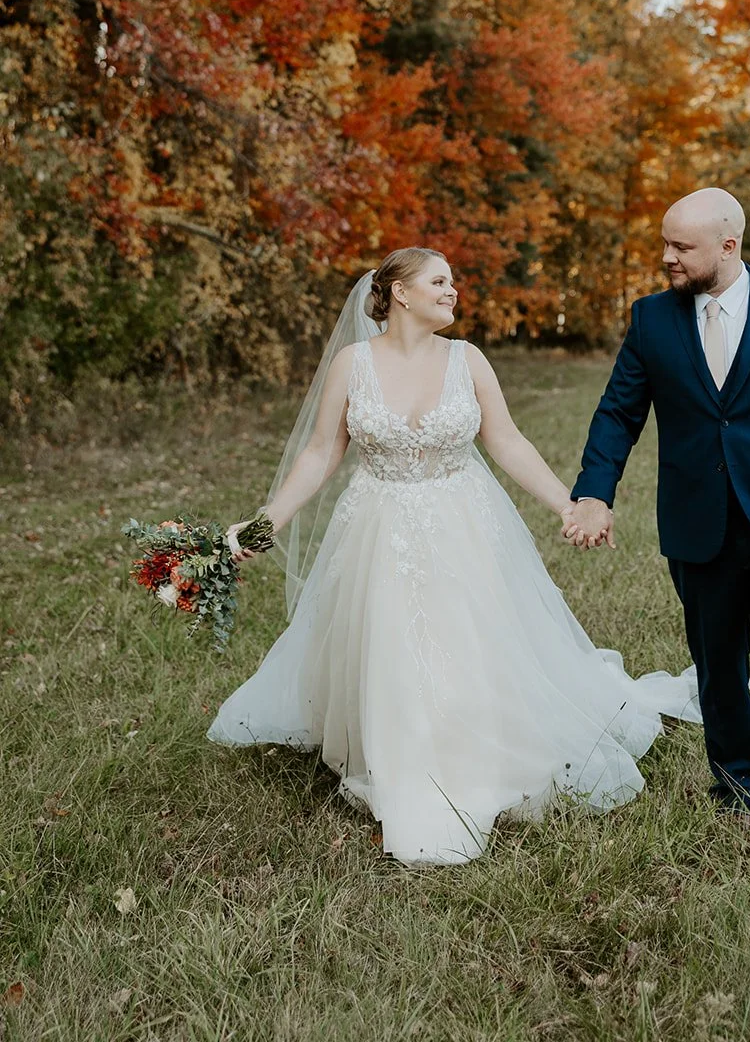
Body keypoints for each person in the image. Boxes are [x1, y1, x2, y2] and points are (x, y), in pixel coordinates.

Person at [209, 246, 700, 865]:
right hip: (378, 526)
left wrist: (568, 505)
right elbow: (319, 453)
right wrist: (266, 522)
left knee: (470, 638)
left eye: (453, 282)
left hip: (464, 520)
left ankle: (475, 748)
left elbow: (507, 440)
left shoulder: (467, 359)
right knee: (388, 642)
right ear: (401, 293)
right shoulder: (352, 365)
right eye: (439, 281)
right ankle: (402, 756)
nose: (453, 292)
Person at [566, 189, 750, 865]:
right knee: (719, 669)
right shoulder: (650, 321)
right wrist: (594, 494)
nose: (666, 257)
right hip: (697, 529)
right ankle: (738, 792)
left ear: (727, 246)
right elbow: (618, 414)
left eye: (680, 247)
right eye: (664, 244)